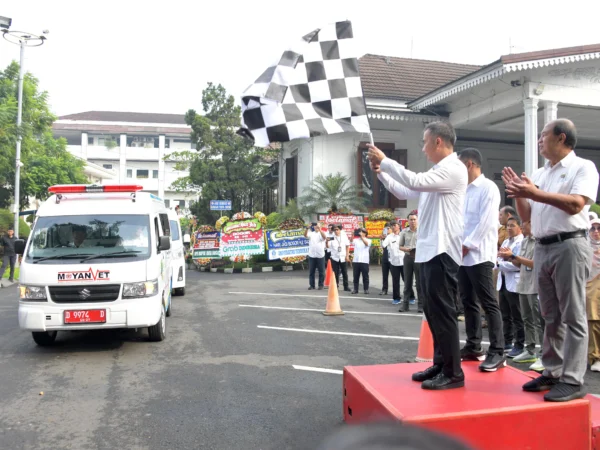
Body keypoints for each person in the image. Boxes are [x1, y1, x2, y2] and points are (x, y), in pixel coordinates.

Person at [503, 118, 599, 402]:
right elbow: (528, 217)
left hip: (569, 244)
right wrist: (520, 193)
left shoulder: (583, 168)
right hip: (542, 246)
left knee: (573, 314)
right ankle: (553, 370)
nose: (539, 140)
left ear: (560, 137)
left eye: (543, 136)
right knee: (550, 315)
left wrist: (534, 192)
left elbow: (576, 204)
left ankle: (573, 378)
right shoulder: (540, 173)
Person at [369, 120, 467, 390]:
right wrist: (381, 172)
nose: (423, 149)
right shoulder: (438, 171)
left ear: (438, 141)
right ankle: (440, 363)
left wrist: (386, 160)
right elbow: (406, 190)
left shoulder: (454, 169)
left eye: (425, 142)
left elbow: (415, 180)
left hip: (443, 250)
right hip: (428, 250)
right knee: (432, 313)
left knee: (444, 313)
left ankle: (453, 372)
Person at [457, 148, 506, 371]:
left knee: (488, 302)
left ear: (469, 164)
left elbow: (487, 222)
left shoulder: (488, 188)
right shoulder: (463, 190)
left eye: (459, 165)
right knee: (468, 301)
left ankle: (497, 351)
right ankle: (473, 345)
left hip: (480, 254)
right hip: (462, 255)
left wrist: (468, 244)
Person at [499, 218, 545, 372]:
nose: (524, 226)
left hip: (535, 285)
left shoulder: (539, 242)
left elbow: (534, 263)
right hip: (523, 284)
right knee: (527, 319)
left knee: (538, 321)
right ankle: (530, 350)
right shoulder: (525, 242)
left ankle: (544, 353)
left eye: (525, 223)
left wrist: (514, 256)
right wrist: (510, 257)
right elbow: (519, 264)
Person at [497, 216, 525, 358]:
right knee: (505, 314)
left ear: (520, 227)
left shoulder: (522, 242)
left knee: (517, 316)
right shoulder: (506, 241)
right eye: (508, 226)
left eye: (512, 225)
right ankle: (507, 341)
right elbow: (499, 257)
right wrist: (503, 261)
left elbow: (518, 265)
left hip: (514, 282)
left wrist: (502, 263)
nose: (509, 228)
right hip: (503, 281)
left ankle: (519, 344)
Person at [399, 212, 421, 313]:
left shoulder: (422, 231)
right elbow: (400, 246)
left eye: (414, 219)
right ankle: (405, 305)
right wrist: (406, 249)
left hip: (419, 258)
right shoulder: (404, 232)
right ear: (408, 221)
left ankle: (421, 305)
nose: (412, 221)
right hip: (408, 258)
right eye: (411, 219)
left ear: (417, 220)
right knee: (407, 282)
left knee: (420, 283)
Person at [587, 219, 600, 372]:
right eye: (592, 229)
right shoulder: (585, 248)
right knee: (593, 322)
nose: (596, 231)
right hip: (590, 289)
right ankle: (595, 356)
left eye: (599, 228)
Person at [381, 221, 404, 305]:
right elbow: (383, 245)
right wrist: (384, 237)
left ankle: (411, 296)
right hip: (394, 262)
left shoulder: (403, 234)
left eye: (395, 225)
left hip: (404, 260)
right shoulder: (389, 237)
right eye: (392, 226)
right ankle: (396, 298)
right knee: (395, 281)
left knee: (406, 280)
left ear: (399, 226)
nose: (393, 227)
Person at [327, 224, 351, 291]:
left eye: (337, 229)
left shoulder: (344, 236)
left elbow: (347, 246)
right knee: (335, 273)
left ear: (340, 230)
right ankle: (335, 286)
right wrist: (326, 241)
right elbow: (328, 246)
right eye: (334, 230)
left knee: (344, 272)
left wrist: (347, 256)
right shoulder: (332, 237)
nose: (336, 231)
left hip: (343, 257)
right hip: (334, 257)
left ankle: (346, 286)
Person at [304, 221, 327, 290]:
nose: (316, 227)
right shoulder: (311, 233)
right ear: (313, 227)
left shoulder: (322, 233)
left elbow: (324, 237)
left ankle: (321, 285)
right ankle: (312, 285)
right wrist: (307, 228)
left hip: (320, 255)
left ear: (320, 227)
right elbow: (305, 235)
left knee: (321, 271)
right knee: (311, 271)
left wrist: (320, 230)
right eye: (315, 226)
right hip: (312, 255)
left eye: (318, 226)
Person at [352, 227, 371, 294]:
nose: (361, 233)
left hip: (364, 261)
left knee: (365, 276)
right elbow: (351, 241)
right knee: (355, 276)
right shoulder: (356, 240)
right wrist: (352, 234)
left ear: (365, 233)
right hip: (356, 261)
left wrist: (362, 237)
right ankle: (355, 289)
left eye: (362, 232)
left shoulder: (368, 240)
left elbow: (366, 244)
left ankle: (366, 289)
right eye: (360, 232)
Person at [380, 223, 391, 296]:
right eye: (385, 229)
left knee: (396, 275)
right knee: (384, 275)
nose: (387, 230)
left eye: (388, 228)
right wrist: (382, 239)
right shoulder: (385, 237)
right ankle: (384, 289)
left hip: (393, 258)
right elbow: (382, 246)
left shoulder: (394, 236)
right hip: (385, 257)